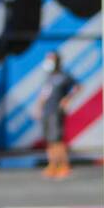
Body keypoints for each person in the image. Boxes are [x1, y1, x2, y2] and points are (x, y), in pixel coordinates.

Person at [33, 51, 76, 179]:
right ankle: (52, 164)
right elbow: (43, 95)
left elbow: (77, 87)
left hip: (56, 112)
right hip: (46, 111)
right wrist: (38, 108)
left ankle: (64, 165)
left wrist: (67, 99)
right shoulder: (48, 77)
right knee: (49, 140)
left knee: (57, 139)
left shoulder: (64, 76)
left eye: (50, 59)